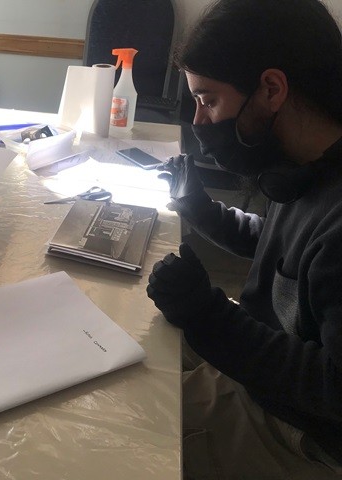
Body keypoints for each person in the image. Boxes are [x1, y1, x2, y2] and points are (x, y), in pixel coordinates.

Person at [145, 0, 342, 478]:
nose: (199, 121)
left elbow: (334, 388)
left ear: (271, 89)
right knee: (138, 348)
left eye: (208, 100)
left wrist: (207, 314)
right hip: (268, 369)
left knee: (129, 418)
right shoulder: (304, 165)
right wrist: (199, 207)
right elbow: (281, 248)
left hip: (306, 431)